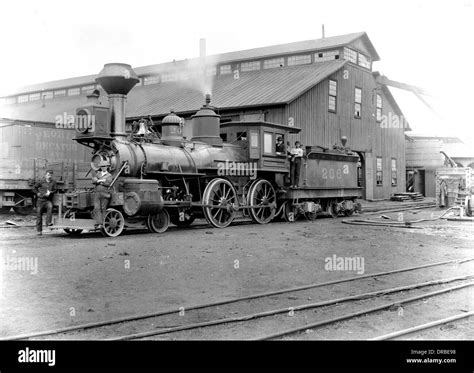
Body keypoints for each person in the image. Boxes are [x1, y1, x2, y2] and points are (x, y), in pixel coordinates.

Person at [33, 170, 57, 235]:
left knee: (50, 207)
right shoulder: (41, 181)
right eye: (48, 175)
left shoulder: (53, 182)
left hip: (47, 200)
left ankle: (48, 222)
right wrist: (37, 193)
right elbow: (34, 188)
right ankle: (39, 231)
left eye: (51, 175)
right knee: (39, 216)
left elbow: (55, 190)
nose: (50, 176)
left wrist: (50, 192)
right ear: (45, 175)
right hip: (40, 200)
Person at [92, 161, 113, 228]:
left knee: (103, 208)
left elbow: (108, 183)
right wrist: (101, 180)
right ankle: (99, 223)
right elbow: (93, 180)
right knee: (97, 208)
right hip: (97, 194)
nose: (103, 168)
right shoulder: (98, 173)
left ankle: (103, 223)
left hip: (105, 194)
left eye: (105, 166)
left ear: (107, 167)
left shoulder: (109, 175)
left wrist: (98, 181)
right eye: (102, 166)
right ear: (100, 167)